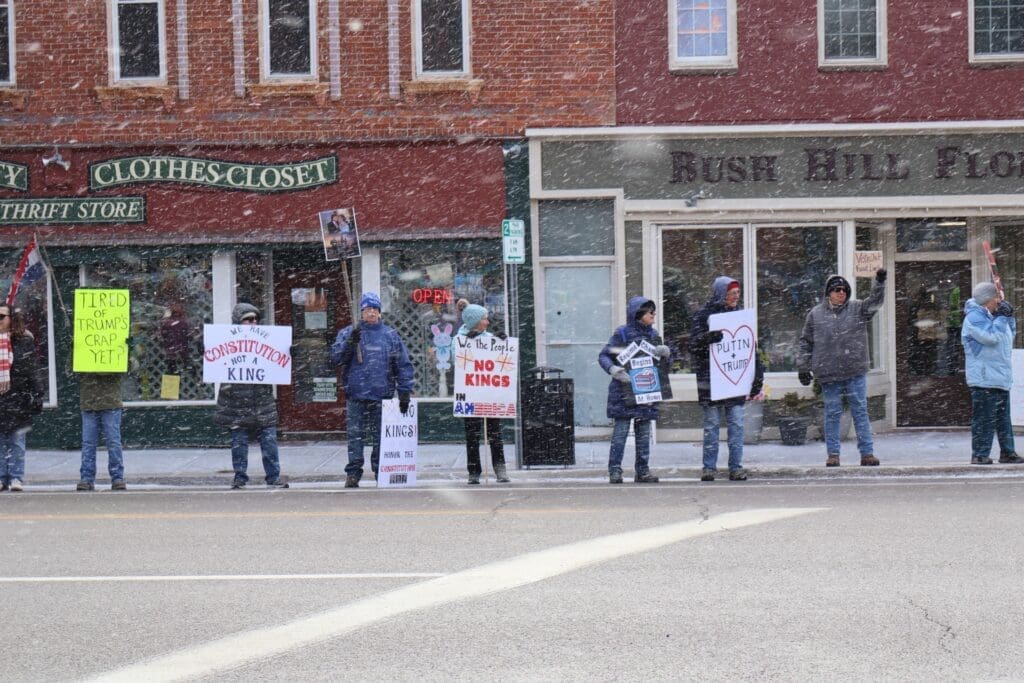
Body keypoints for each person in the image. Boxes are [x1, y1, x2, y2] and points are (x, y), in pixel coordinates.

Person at [798, 269, 886, 467]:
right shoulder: (815, 314)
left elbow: (876, 301)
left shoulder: (858, 309)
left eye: (845, 290)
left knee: (860, 411)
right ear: (828, 292)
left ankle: (867, 453)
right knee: (832, 413)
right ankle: (833, 454)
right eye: (837, 290)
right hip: (829, 372)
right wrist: (803, 366)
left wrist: (879, 282)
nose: (841, 293)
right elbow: (805, 342)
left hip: (855, 369)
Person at [331, 291, 415, 488]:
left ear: (379, 312)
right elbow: (336, 358)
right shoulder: (348, 333)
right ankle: (353, 473)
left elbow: (402, 364)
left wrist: (404, 391)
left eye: (374, 309)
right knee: (355, 437)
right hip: (356, 395)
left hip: (382, 396)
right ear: (361, 312)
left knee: (381, 439)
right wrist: (350, 343)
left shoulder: (390, 336)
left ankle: (380, 471)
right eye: (367, 309)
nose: (371, 313)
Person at [689, 276, 764, 482]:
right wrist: (708, 338)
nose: (735, 297)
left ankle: (736, 467)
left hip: (734, 380)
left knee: (737, 425)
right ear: (721, 294)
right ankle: (709, 468)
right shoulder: (704, 316)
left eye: (737, 293)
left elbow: (750, 349)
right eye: (732, 293)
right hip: (711, 380)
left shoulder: (741, 317)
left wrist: (757, 375)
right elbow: (693, 346)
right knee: (712, 425)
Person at [214, 303, 289, 489]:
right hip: (236, 401)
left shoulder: (267, 340)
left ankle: (273, 476)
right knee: (239, 443)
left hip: (262, 400)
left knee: (269, 441)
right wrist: (206, 347)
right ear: (239, 322)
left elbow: (278, 362)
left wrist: (287, 353)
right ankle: (240, 477)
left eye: (255, 319)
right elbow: (214, 359)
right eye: (248, 319)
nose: (253, 322)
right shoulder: (226, 341)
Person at [598, 296, 670, 484]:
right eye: (650, 311)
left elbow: (661, 367)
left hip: (646, 392)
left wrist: (666, 354)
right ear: (639, 314)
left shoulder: (654, 336)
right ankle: (615, 470)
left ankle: (642, 471)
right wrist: (614, 370)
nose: (654, 314)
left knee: (644, 435)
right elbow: (604, 356)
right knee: (621, 434)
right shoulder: (621, 334)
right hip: (624, 392)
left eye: (654, 311)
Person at [962, 282, 1023, 465]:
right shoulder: (974, 317)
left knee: (1003, 419)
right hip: (984, 378)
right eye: (996, 297)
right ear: (986, 300)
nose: (999, 301)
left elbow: (1008, 336)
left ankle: (1007, 452)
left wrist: (1009, 318)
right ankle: (980, 453)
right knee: (984, 419)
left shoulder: (993, 316)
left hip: (1000, 376)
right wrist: (1001, 318)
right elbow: (991, 338)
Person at [456, 299, 509, 485]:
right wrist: (466, 344)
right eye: (484, 319)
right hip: (471, 394)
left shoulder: (489, 338)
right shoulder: (460, 340)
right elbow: (456, 362)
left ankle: (500, 467)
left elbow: (502, 361)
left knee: (495, 433)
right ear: (475, 321)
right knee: (472, 435)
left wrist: (502, 342)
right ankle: (474, 470)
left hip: (489, 393)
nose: (487, 322)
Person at [0, 305, 43, 492]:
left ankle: (16, 477)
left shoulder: (23, 340)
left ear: (11, 318)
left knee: (17, 440)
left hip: (17, 395)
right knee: (1, 440)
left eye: (2, 316)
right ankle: (2, 477)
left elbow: (31, 368)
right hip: (2, 397)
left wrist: (36, 393)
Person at [77, 368, 128, 491]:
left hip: (106, 401)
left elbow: (129, 368)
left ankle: (115, 478)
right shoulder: (80, 350)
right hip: (94, 400)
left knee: (110, 441)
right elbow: (71, 369)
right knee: (95, 442)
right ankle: (89, 478)